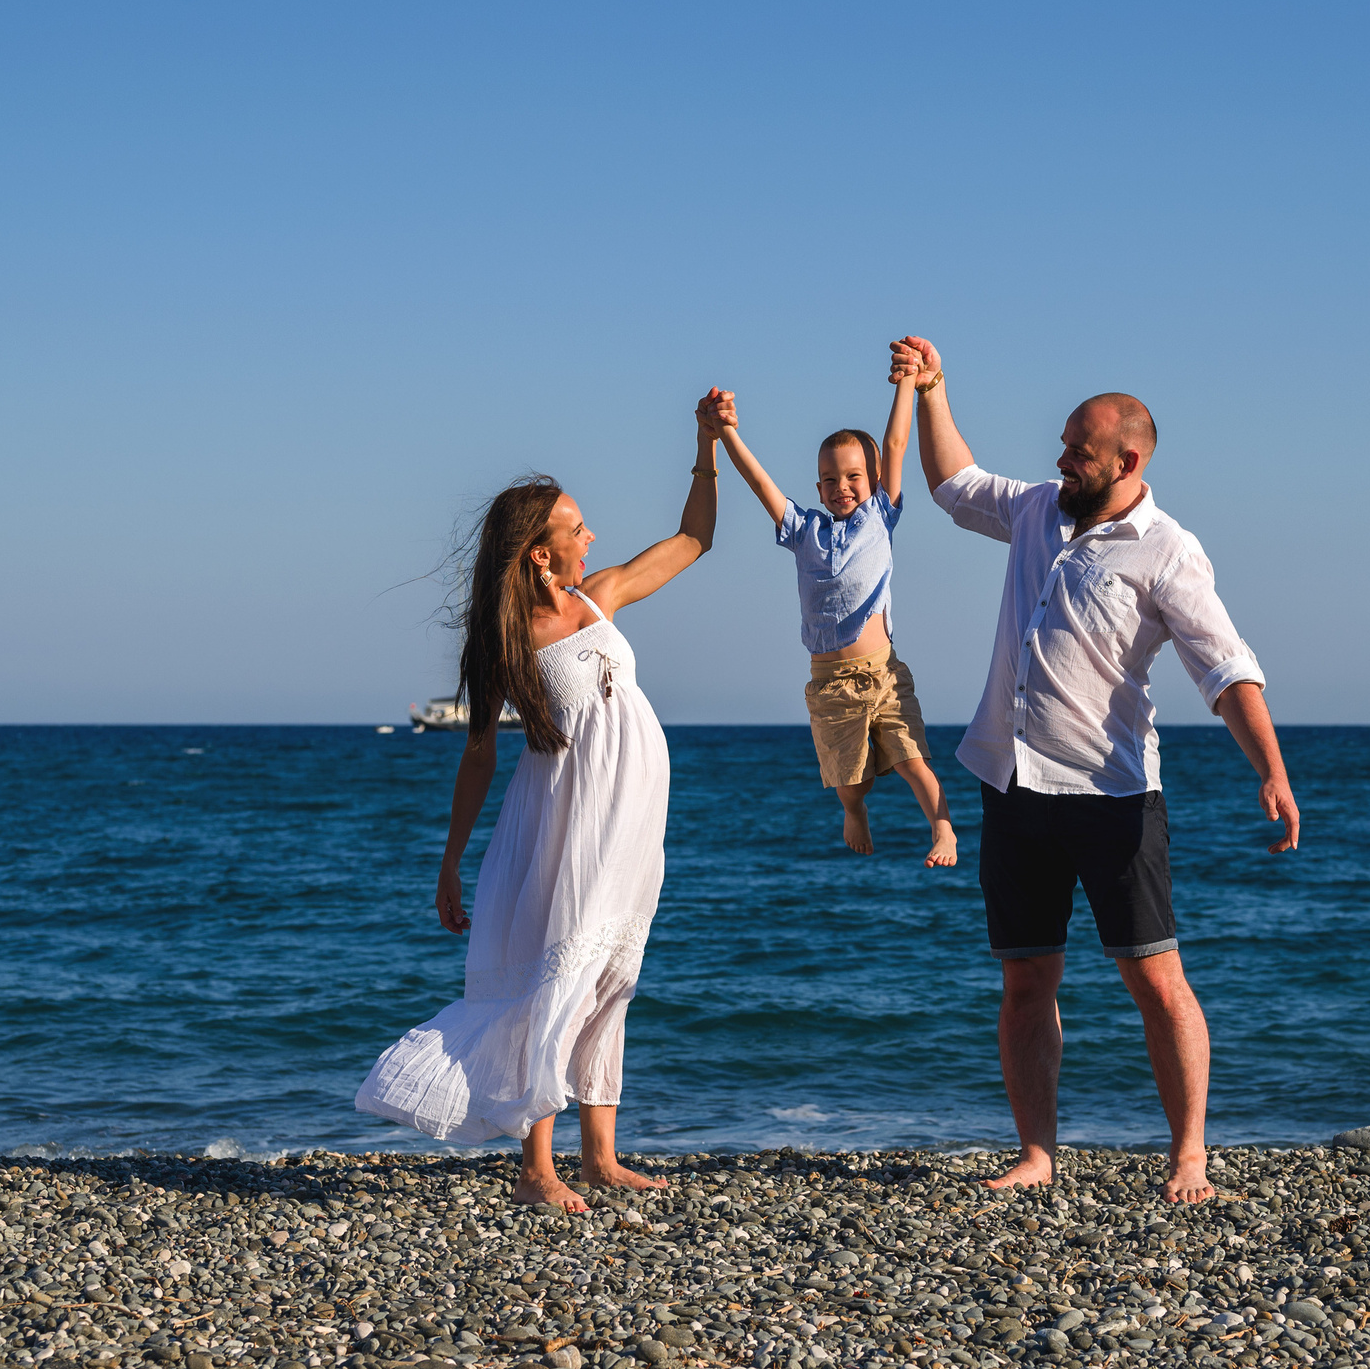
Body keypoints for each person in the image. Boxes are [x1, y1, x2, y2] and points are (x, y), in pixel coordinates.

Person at [892, 336, 1299, 1205]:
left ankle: (1188, 1155)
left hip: (1111, 796)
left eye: (1077, 449)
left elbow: (1223, 664)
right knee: (1026, 979)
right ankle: (1037, 1151)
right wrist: (933, 389)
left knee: (1155, 976)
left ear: (1128, 458)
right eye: (1065, 446)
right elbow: (953, 484)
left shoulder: (1167, 549)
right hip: (1011, 784)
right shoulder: (1038, 509)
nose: (1059, 459)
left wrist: (1270, 766)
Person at [354, 395, 725, 1211]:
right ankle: (535, 1166)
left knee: (610, 974)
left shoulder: (601, 596)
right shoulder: (506, 640)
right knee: (560, 971)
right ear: (536, 551)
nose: (591, 535)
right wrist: (451, 857)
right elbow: (480, 752)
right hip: (564, 820)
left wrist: (705, 443)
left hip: (630, 819)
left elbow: (694, 536)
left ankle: (600, 1155)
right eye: (576, 526)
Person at [710, 374, 958, 866]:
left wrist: (906, 381)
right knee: (850, 778)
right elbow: (760, 481)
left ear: (876, 479)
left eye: (853, 476)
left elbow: (895, 441)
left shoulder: (880, 516)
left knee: (914, 759)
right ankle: (855, 809)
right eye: (829, 479)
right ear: (817, 487)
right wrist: (726, 433)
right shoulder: (803, 530)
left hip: (883, 672)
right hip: (829, 684)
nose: (841, 486)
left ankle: (943, 829)